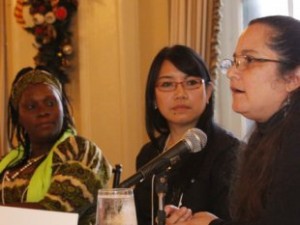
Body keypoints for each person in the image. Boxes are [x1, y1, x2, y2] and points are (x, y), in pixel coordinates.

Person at [165, 15, 300, 225]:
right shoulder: (267, 137)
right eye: (235, 61)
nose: (231, 73)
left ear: (293, 78)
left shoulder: (294, 143)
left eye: (250, 60)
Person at [134, 45, 240, 225]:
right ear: (153, 98)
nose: (180, 94)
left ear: (208, 92)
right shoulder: (149, 154)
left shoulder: (229, 153)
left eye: (191, 82)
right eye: (167, 84)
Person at [0, 67, 112, 225]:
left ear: (63, 108)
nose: (42, 112)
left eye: (50, 103)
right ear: (19, 117)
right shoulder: (7, 164)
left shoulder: (81, 151)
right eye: (31, 106)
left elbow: (55, 213)